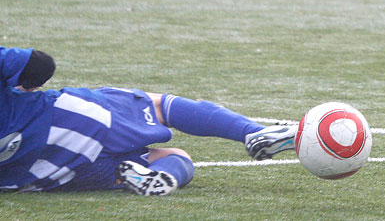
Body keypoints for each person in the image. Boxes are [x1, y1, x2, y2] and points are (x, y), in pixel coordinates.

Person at [0, 46, 296, 195]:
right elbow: (40, 64)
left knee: (170, 156)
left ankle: (161, 180)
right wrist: (28, 83)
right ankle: (255, 133)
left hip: (46, 174)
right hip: (69, 121)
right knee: (159, 106)